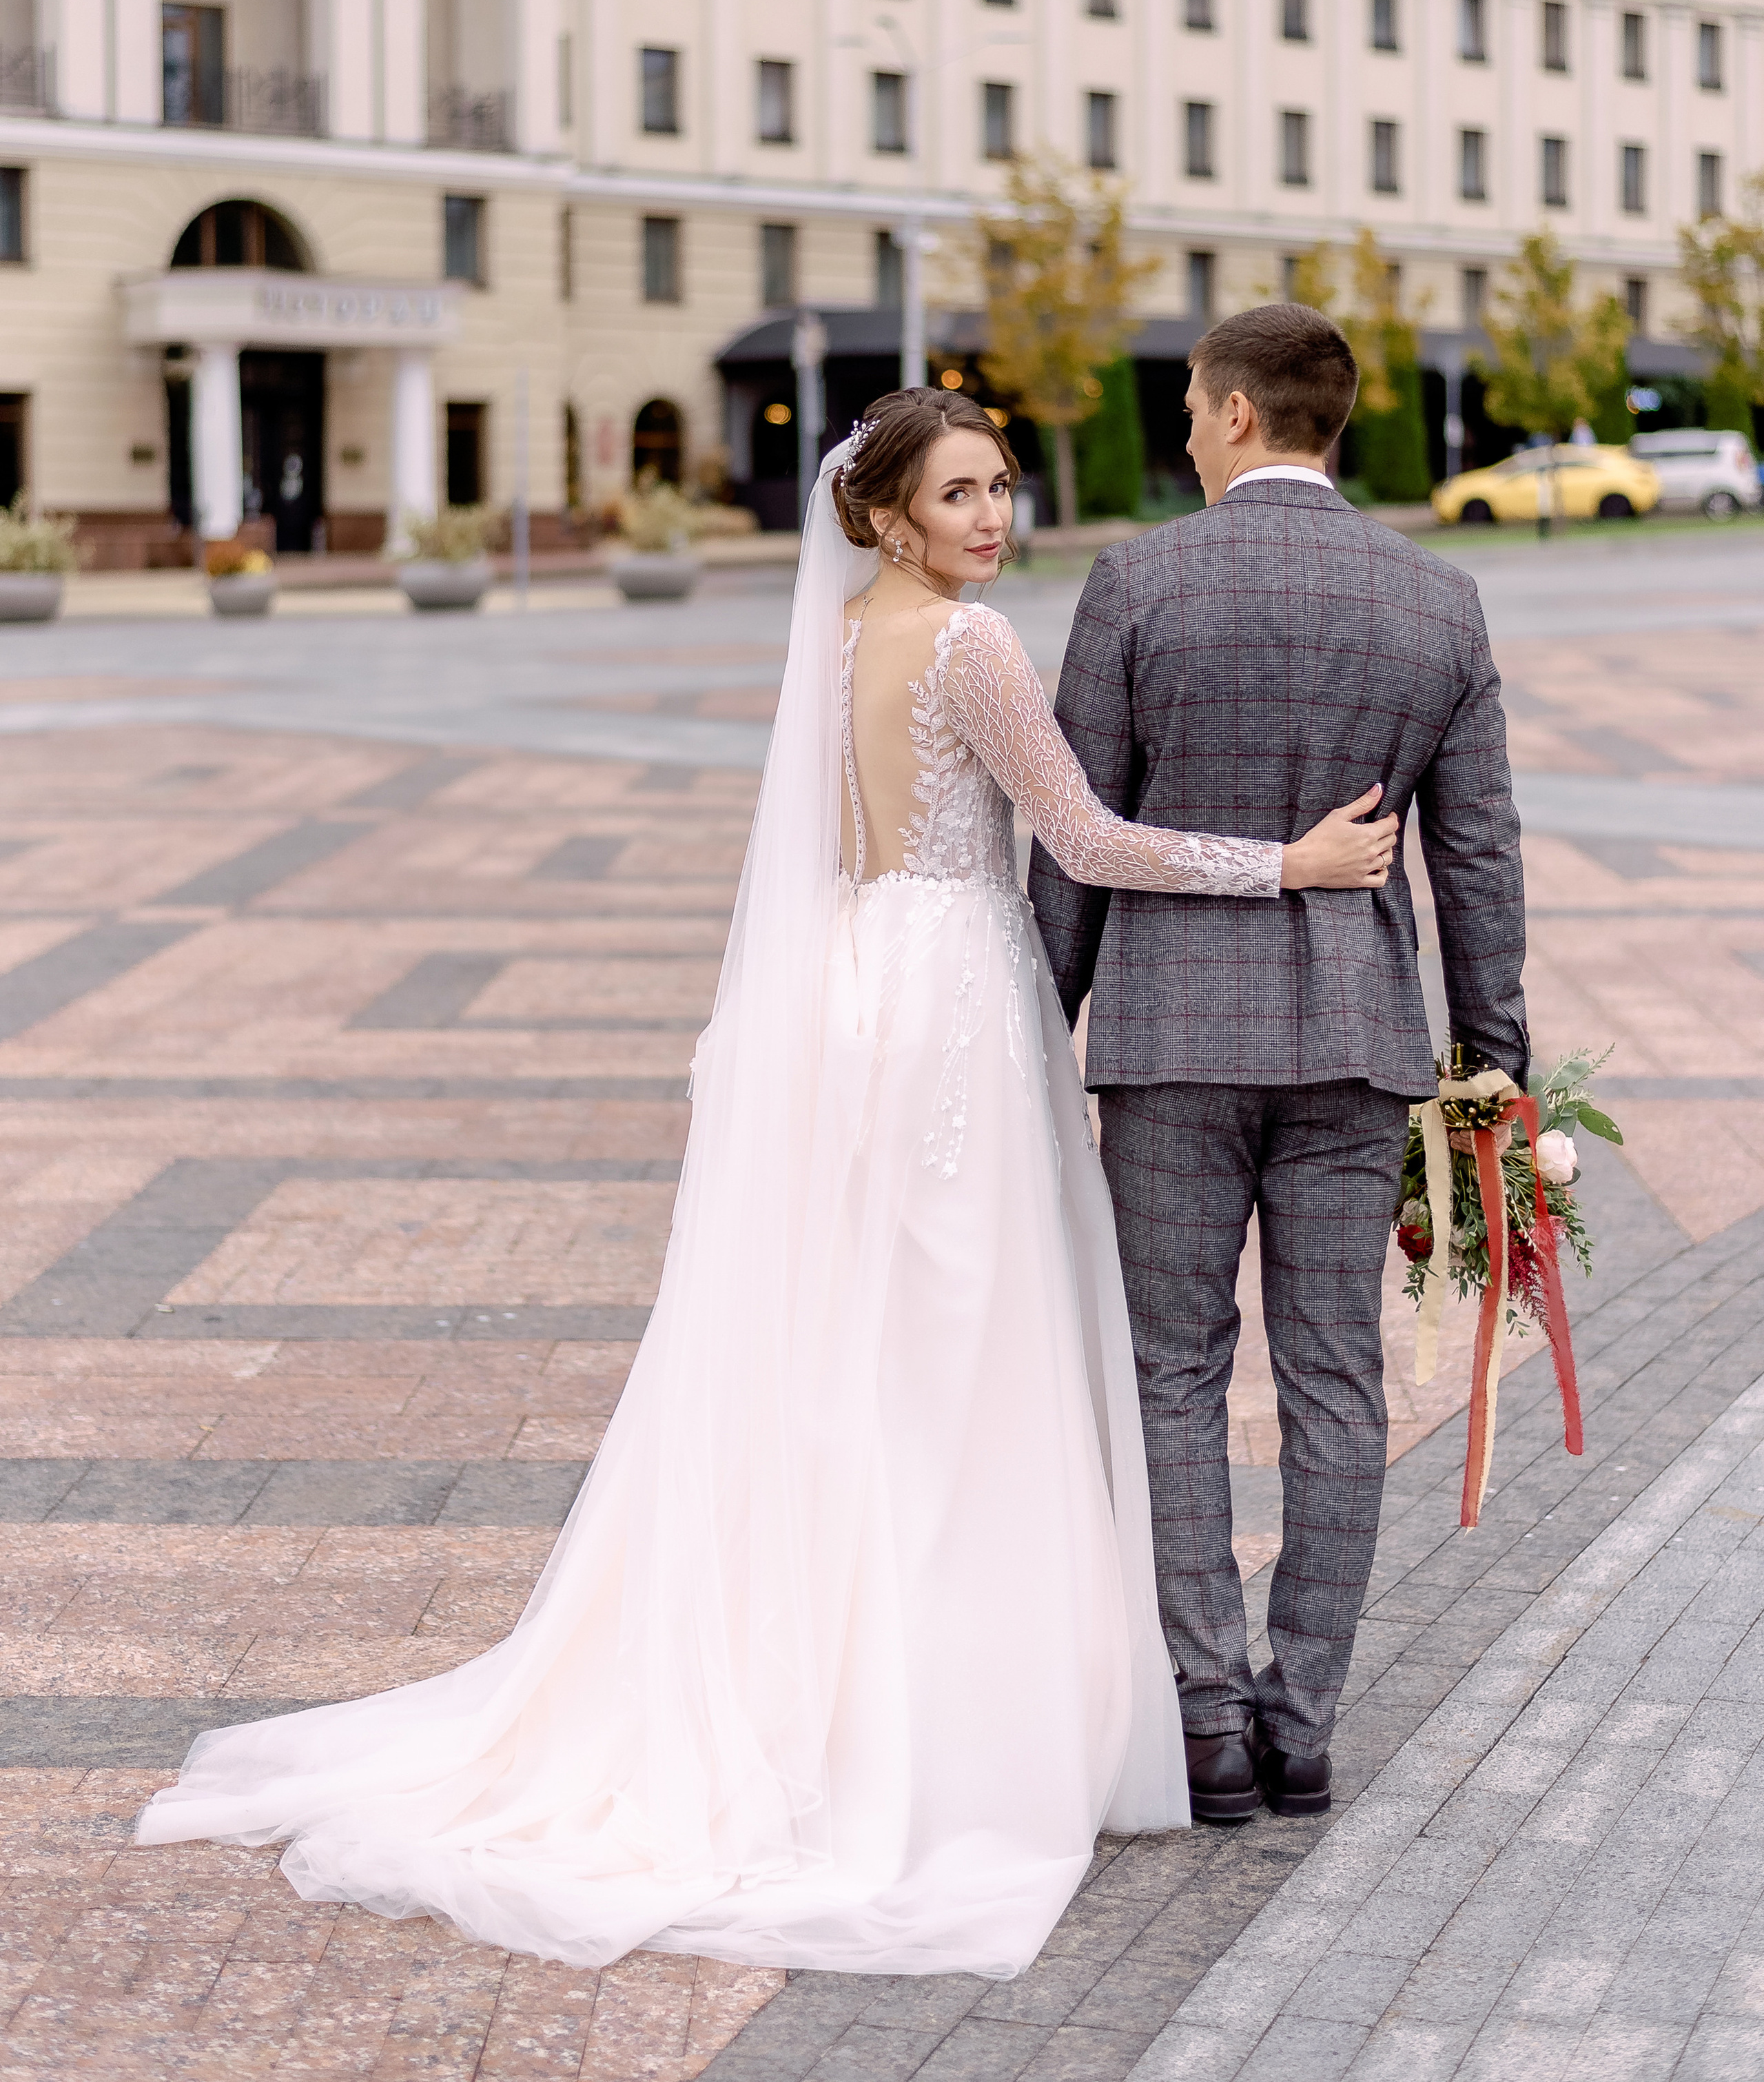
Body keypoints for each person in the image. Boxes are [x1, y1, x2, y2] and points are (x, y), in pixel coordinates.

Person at [136, 387, 1397, 1979]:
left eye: (1000, 489)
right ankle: (947, 1708)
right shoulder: (972, 648)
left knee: (858, 1349)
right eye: (959, 497)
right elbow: (1081, 840)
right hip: (947, 1012)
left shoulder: (837, 646)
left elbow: (822, 862)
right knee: (959, 1352)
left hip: (850, 996)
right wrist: (1279, 864)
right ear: (884, 516)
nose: (993, 519)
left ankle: (846, 1671)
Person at [1029, 304, 1527, 1827]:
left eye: (1187, 404)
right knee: (1332, 1377)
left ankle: (1204, 1721)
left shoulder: (1135, 582)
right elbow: (1477, 861)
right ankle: (1302, 1719)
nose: (1180, 427)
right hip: (1355, 1048)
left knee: (1168, 1374)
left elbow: (1073, 840)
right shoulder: (1436, 603)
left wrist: (1039, 1028)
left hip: (1171, 1045)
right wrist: (1488, 1063)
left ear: (1239, 415)